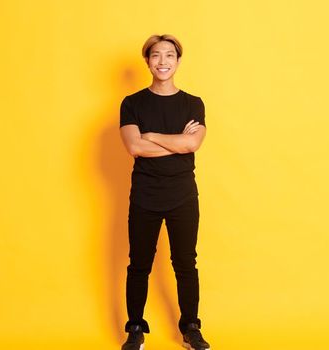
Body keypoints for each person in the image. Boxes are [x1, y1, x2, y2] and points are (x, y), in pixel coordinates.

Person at [118, 34, 211, 350]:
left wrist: (153, 136)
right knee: (139, 263)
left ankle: (191, 328)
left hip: (183, 195)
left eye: (169, 55)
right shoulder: (132, 103)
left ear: (178, 61)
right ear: (147, 61)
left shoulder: (193, 103)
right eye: (156, 55)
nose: (162, 61)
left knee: (185, 262)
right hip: (145, 195)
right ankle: (135, 329)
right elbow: (134, 146)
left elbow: (192, 144)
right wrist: (175, 143)